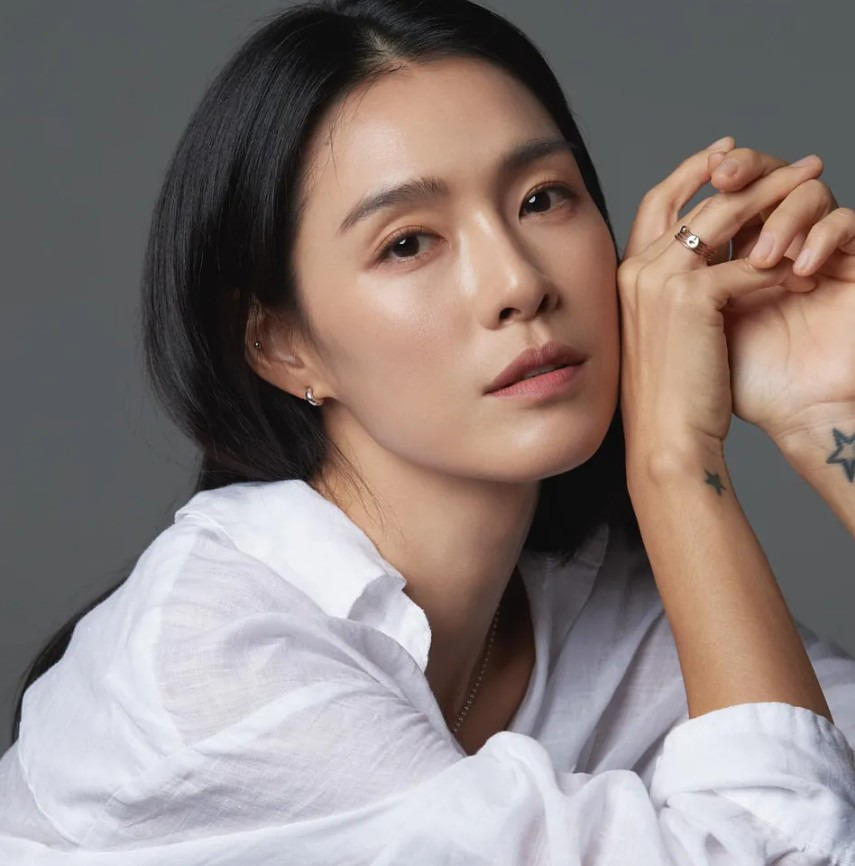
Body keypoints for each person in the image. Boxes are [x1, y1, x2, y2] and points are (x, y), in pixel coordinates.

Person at [2, 0, 854, 862]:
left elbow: (825, 793)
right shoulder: (221, 658)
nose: (517, 282)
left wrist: (827, 417)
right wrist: (672, 459)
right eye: (408, 243)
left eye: (541, 198)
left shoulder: (594, 604)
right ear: (281, 344)